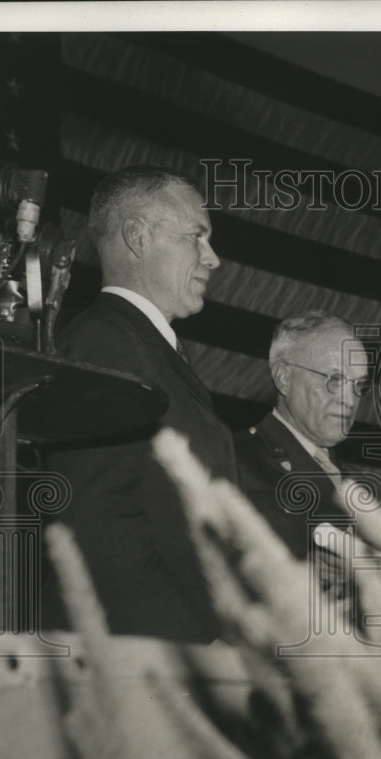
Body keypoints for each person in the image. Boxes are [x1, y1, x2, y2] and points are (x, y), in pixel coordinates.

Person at [43, 165, 235, 642]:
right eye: (198, 236)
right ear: (138, 237)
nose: (213, 258)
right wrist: (203, 642)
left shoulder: (146, 345)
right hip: (153, 656)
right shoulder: (103, 344)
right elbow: (98, 532)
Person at [234, 311, 372, 597]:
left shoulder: (362, 486)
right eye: (334, 379)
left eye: (359, 385)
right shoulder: (236, 458)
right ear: (284, 378)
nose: (350, 400)